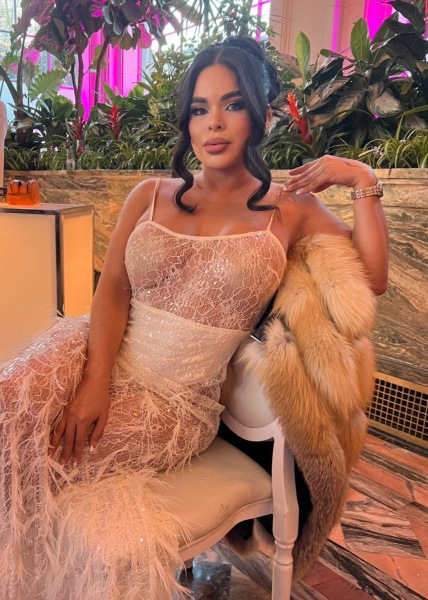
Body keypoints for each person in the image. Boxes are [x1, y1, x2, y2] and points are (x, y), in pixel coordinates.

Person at [0, 37, 388, 600]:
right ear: (187, 122)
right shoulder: (150, 194)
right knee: (6, 415)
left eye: (232, 104)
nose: (214, 123)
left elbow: (371, 277)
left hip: (175, 404)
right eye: (200, 109)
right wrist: (94, 381)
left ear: (259, 115)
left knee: (41, 461)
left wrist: (360, 177)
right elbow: (113, 289)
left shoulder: (291, 208)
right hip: (90, 353)